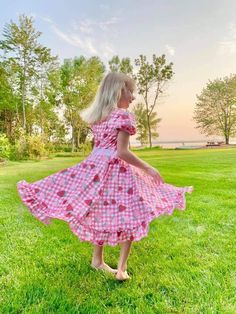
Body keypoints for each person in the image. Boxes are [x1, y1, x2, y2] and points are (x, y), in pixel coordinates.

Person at [17, 72, 194, 281]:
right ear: (119, 91)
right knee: (131, 213)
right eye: (131, 91)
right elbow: (122, 152)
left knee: (100, 211)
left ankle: (97, 260)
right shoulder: (122, 116)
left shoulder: (99, 117)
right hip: (118, 171)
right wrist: (148, 168)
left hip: (97, 168)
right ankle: (121, 268)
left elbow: (99, 148)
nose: (133, 97)